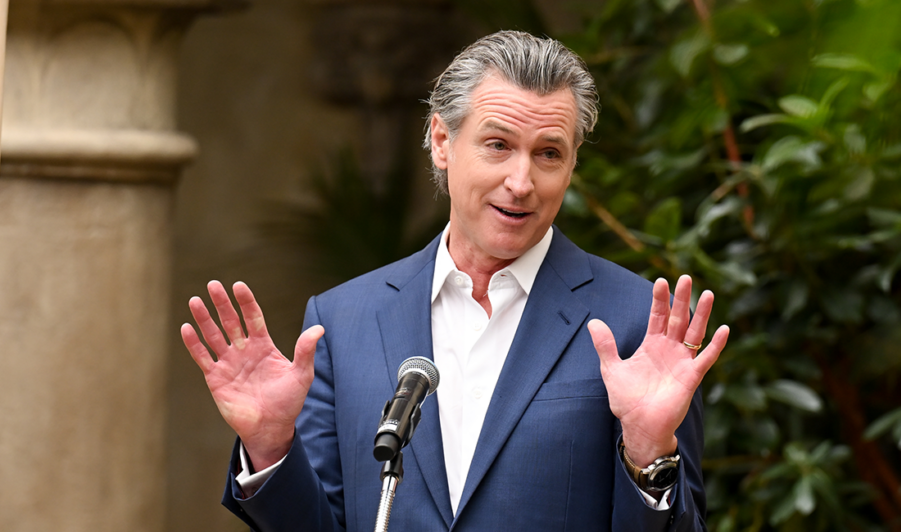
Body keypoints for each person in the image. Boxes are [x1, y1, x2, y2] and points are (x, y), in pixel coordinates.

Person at [182, 30, 729, 531]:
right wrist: (270, 445)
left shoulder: (637, 321)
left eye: (548, 154)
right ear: (442, 141)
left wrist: (649, 453)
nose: (522, 182)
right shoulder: (343, 321)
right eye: (498, 145)